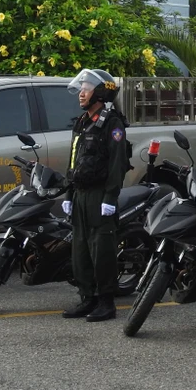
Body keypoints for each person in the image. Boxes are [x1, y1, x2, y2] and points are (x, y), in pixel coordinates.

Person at [61, 69, 129, 322]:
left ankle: (106, 302)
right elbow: (74, 161)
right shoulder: (82, 121)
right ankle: (87, 297)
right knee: (80, 250)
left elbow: (117, 164)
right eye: (81, 88)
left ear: (100, 92)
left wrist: (110, 198)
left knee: (102, 251)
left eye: (86, 88)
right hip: (80, 193)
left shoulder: (112, 123)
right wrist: (69, 193)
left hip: (100, 195)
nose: (81, 93)